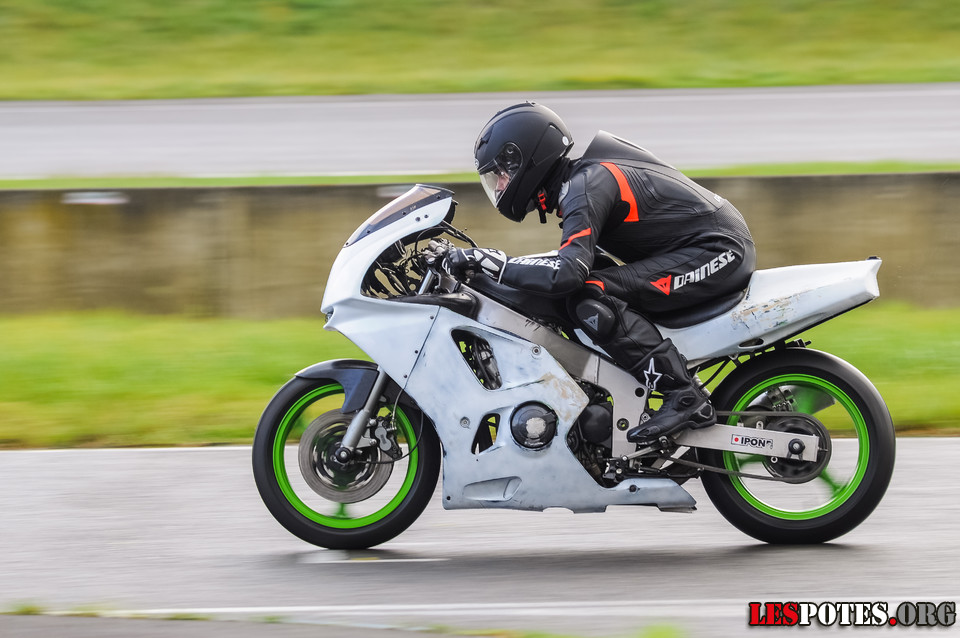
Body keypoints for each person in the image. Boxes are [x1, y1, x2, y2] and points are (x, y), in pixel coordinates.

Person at [442, 102, 756, 444]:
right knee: (588, 281)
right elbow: (568, 265)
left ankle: (682, 395)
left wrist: (493, 263)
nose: (500, 186)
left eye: (501, 174)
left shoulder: (586, 185)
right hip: (705, 247)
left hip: (719, 252)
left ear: (526, 158)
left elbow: (566, 273)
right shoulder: (580, 181)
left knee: (591, 294)